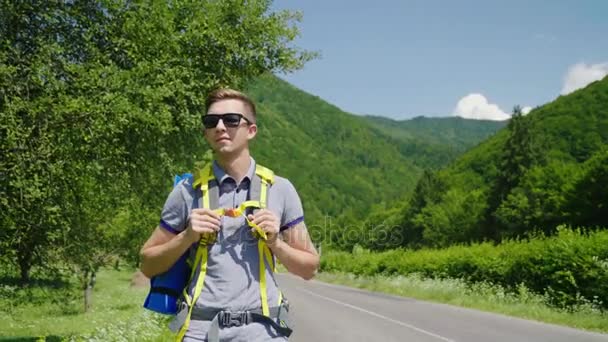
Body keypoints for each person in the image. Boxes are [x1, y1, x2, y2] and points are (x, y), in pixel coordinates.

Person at [140, 88, 319, 341]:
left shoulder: (281, 189)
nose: (220, 127)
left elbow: (309, 268)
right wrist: (187, 236)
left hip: (264, 331)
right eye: (211, 121)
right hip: (199, 331)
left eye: (232, 120)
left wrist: (275, 243)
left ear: (251, 130)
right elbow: (148, 265)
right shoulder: (185, 191)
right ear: (205, 132)